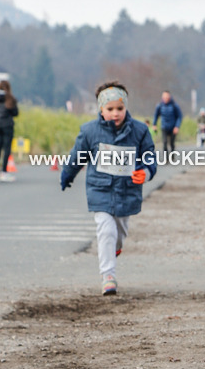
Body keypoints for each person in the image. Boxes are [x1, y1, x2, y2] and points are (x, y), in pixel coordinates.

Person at [60, 80, 157, 295]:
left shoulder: (140, 131)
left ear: (126, 108)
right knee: (106, 229)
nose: (115, 113)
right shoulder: (89, 131)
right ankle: (108, 276)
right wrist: (68, 174)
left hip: (127, 190)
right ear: (101, 110)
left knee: (119, 232)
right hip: (100, 189)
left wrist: (146, 172)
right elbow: (78, 156)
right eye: (110, 109)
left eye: (120, 108)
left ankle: (115, 249)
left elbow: (150, 157)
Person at [0, 80, 19, 182]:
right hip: (7, 125)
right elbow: (15, 113)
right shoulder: (10, 98)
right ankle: (3, 172)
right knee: (7, 148)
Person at [152, 90, 182, 154]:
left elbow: (179, 116)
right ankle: (166, 158)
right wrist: (154, 124)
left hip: (173, 127)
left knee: (172, 143)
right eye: (164, 97)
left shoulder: (174, 105)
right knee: (164, 142)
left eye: (166, 97)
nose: (165, 98)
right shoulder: (159, 106)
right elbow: (156, 116)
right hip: (164, 127)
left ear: (169, 97)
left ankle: (172, 156)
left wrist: (177, 126)